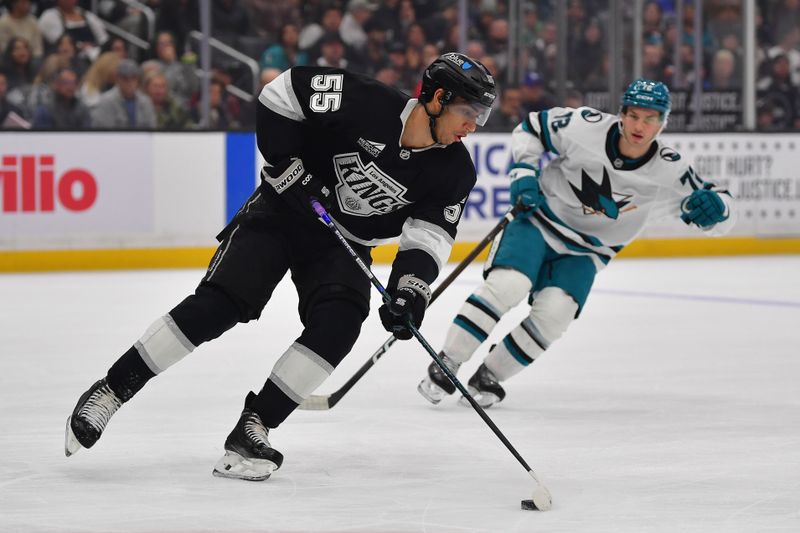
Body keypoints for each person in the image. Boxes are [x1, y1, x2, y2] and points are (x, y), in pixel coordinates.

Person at [64, 52, 496, 481]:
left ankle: (255, 426)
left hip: (343, 245)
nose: (474, 124)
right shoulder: (364, 101)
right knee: (220, 305)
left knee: (339, 327)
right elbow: (281, 94)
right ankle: (111, 390)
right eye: (468, 111)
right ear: (437, 98)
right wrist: (286, 164)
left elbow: (429, 236)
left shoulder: (455, 171)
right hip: (281, 212)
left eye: (481, 114)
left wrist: (409, 290)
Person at [417, 79, 737, 408]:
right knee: (508, 285)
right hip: (539, 222)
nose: (640, 126)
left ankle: (490, 375)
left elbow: (722, 211)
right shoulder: (585, 126)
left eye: (651, 118)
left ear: (664, 122)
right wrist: (525, 170)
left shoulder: (671, 171)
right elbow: (531, 128)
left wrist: (719, 211)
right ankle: (449, 360)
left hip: (588, 252)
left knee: (555, 315)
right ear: (621, 113)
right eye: (634, 115)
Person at [90, 58, 156, 129]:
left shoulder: (145, 101)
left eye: (133, 78)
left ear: (138, 79)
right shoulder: (106, 102)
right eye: (125, 78)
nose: (130, 83)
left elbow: (151, 130)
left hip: (142, 139)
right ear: (117, 79)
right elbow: (104, 132)